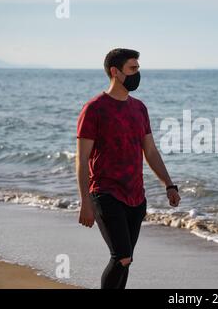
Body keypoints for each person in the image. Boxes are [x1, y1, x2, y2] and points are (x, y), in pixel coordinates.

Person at [75, 48, 181, 289]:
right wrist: (85, 201)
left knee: (126, 260)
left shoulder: (139, 108)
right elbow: (82, 159)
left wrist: (169, 185)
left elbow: (151, 152)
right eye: (132, 69)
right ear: (115, 72)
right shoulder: (94, 109)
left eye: (138, 68)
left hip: (136, 196)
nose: (137, 74)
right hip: (106, 192)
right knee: (121, 256)